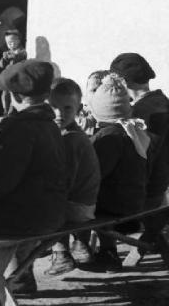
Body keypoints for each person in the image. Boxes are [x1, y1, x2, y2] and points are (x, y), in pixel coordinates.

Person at [0, 60, 68, 293]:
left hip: (28, 218)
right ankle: (21, 277)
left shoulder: (18, 128)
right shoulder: (50, 124)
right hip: (54, 213)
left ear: (15, 96)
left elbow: (4, 181)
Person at [88, 73, 154, 272]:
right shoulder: (133, 132)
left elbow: (96, 173)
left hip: (118, 205)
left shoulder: (109, 137)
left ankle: (97, 251)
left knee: (80, 202)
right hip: (135, 198)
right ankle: (105, 250)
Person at [111, 53, 169, 263]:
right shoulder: (161, 101)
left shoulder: (146, 112)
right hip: (158, 186)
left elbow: (143, 156)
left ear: (123, 82)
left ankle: (104, 253)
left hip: (148, 190)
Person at [44, 78, 101, 276]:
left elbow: (64, 184)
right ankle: (81, 245)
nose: (59, 114)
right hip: (86, 203)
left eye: (67, 108)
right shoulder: (72, 133)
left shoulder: (69, 140)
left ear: (78, 108)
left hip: (78, 208)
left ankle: (60, 254)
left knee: (48, 207)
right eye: (53, 107)